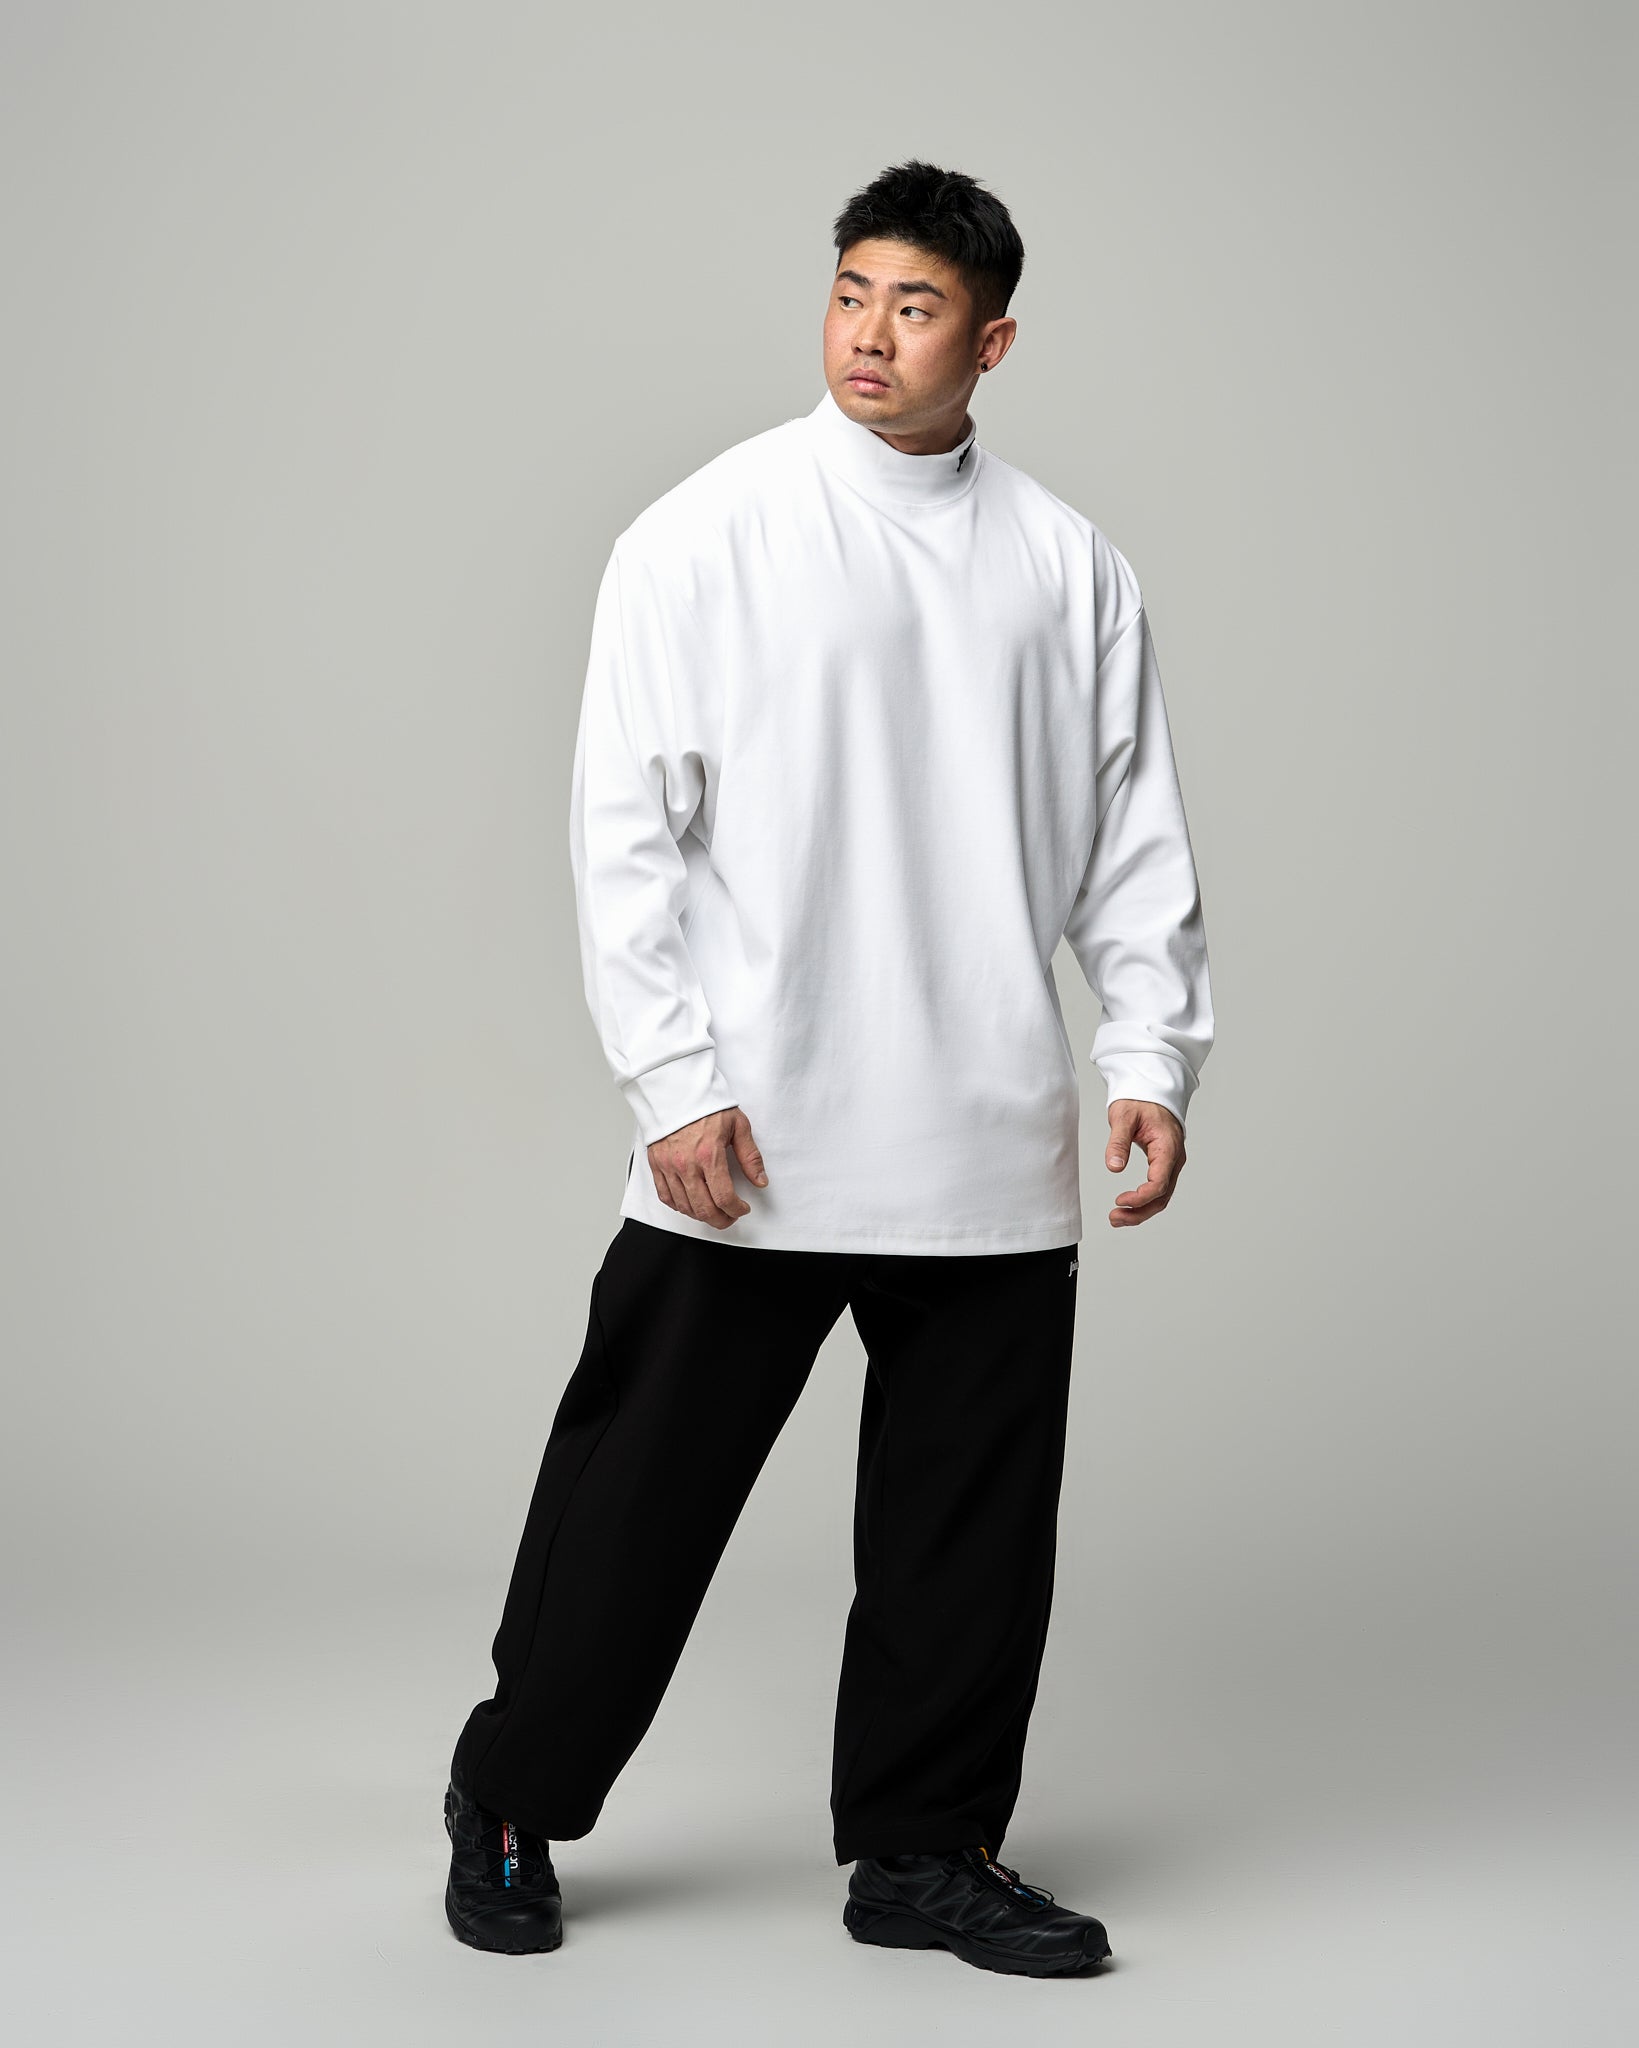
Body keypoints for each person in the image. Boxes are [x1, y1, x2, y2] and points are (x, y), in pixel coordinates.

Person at [442, 158, 1214, 1979]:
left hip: (986, 1135)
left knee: (969, 1538)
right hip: (755, 1133)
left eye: (916, 306)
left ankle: (926, 1852)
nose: (871, 333)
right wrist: (670, 1080)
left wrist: (1150, 1054)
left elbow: (1135, 845)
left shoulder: (1071, 568)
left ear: (991, 341)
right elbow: (624, 835)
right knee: (633, 1512)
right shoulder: (705, 534)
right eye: (852, 292)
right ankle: (510, 1797)